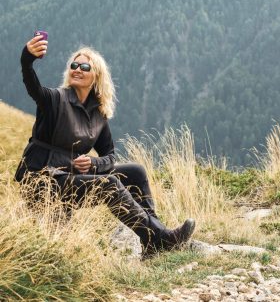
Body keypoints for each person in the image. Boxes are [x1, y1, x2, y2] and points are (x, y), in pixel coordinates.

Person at [15, 32, 195, 258]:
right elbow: (33, 87)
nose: (78, 69)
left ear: (96, 77)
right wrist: (27, 58)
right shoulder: (54, 100)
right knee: (109, 184)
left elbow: (109, 155)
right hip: (43, 179)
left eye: (85, 67)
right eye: (74, 65)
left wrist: (93, 163)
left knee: (136, 172)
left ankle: (153, 240)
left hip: (70, 177)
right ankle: (158, 238)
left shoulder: (98, 114)